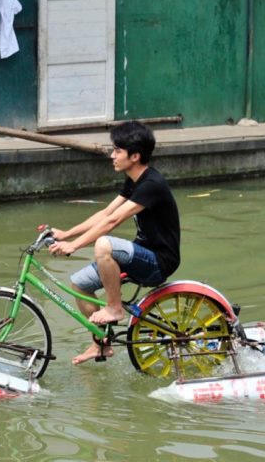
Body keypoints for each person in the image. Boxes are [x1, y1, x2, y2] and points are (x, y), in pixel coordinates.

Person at [48, 121, 180, 365]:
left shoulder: (152, 184)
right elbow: (107, 213)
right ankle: (101, 345)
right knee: (79, 284)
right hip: (141, 254)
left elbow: (114, 222)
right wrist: (66, 234)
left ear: (135, 156)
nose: (112, 155)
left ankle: (115, 308)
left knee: (104, 244)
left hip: (159, 262)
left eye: (117, 151)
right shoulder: (134, 180)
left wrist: (74, 246)